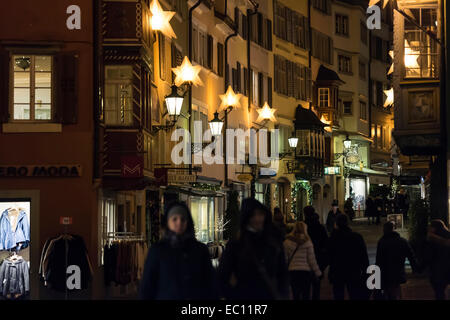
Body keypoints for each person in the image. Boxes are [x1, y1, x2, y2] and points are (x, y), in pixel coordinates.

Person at [139, 201, 217, 300]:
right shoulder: (158, 250)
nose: (179, 222)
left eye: (183, 219)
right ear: (168, 222)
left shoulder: (200, 250)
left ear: (187, 222)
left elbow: (210, 283)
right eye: (174, 219)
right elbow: (147, 285)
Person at [218, 198, 290, 300]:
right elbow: (223, 275)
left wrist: (283, 293)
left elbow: (282, 272)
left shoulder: (273, 240)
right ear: (246, 217)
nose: (257, 219)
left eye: (260, 214)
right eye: (253, 215)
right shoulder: (237, 243)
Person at [328, 214, 369, 300]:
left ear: (337, 224)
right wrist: (365, 270)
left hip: (337, 271)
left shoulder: (333, 238)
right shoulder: (356, 237)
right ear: (347, 223)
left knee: (338, 294)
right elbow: (363, 255)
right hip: (353, 270)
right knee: (354, 293)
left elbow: (329, 255)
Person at [375, 221, 419, 300]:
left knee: (388, 290)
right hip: (398, 270)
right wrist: (415, 268)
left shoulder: (382, 242)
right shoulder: (402, 241)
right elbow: (411, 255)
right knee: (396, 289)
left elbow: (378, 259)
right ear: (394, 229)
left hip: (386, 272)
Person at [283, 221, 322, 300]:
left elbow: (285, 259)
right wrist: (317, 272)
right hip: (305, 272)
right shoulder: (307, 242)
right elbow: (312, 260)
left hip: (292, 271)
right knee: (305, 294)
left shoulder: (287, 242)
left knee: (295, 294)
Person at [304, 206, 329, 300]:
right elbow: (326, 243)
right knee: (316, 285)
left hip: (305, 259)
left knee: (305, 286)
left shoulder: (303, 227)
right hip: (318, 258)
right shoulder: (320, 227)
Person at [426, 219, 450, 300]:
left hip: (437, 271)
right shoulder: (448, 235)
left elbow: (429, 256)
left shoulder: (431, 238)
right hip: (448, 269)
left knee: (439, 293)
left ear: (434, 227)